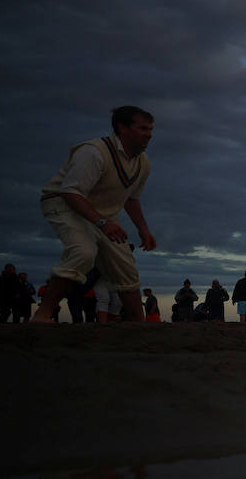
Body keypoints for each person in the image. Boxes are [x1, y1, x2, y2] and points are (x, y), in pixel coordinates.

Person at [32, 106, 158, 323]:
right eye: (143, 128)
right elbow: (70, 192)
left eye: (150, 129)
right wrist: (102, 223)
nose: (149, 134)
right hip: (64, 204)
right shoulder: (94, 152)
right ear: (122, 128)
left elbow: (131, 198)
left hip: (102, 212)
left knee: (126, 268)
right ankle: (42, 315)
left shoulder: (142, 162)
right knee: (84, 251)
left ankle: (139, 326)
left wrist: (143, 229)